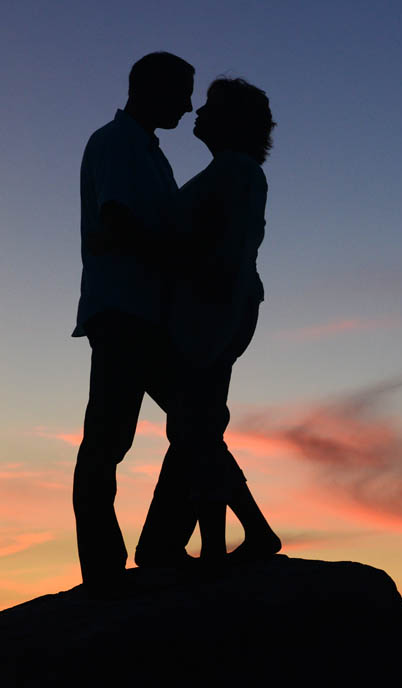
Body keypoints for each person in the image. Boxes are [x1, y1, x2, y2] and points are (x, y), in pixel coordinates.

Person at [135, 77, 281, 565]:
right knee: (197, 430)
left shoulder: (235, 173)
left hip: (209, 316)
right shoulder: (230, 171)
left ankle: (227, 544)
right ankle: (229, 540)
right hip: (212, 313)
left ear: (232, 121)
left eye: (211, 107)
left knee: (196, 430)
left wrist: (210, 330)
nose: (198, 112)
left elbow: (227, 253)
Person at [72, 52, 194, 592]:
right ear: (150, 88)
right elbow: (118, 220)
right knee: (109, 440)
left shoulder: (147, 151)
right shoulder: (118, 143)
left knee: (194, 421)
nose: (188, 106)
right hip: (123, 311)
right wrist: (186, 261)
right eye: (181, 93)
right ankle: (105, 569)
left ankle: (158, 543)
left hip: (147, 315)